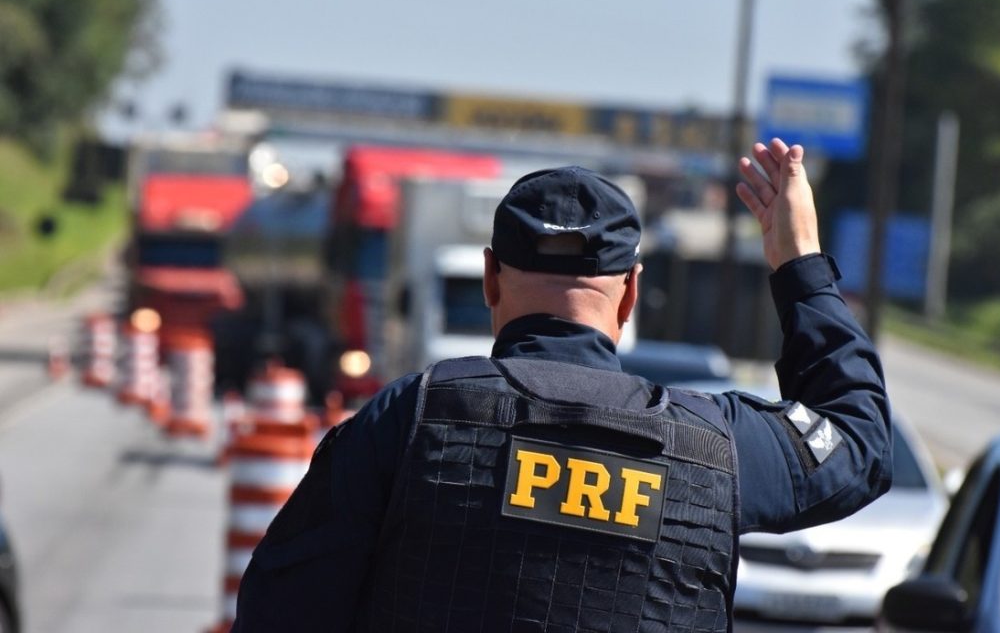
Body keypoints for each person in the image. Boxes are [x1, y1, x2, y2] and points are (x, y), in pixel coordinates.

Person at [232, 139, 892, 632]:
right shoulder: (717, 448)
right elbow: (860, 442)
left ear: (492, 279)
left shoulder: (409, 421)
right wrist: (800, 265)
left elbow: (282, 609)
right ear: (631, 292)